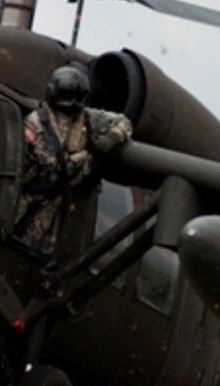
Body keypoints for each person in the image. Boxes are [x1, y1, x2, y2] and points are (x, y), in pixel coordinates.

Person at [14, 65, 132, 252]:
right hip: (26, 190)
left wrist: (112, 138)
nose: (72, 105)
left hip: (54, 197)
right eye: (69, 95)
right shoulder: (35, 121)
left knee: (27, 245)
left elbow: (124, 123)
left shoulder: (87, 119)